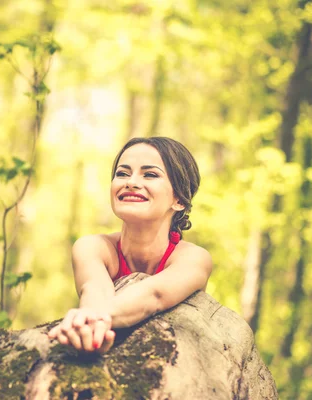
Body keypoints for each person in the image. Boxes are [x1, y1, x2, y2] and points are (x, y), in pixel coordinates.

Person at [47, 137, 212, 354]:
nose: (131, 182)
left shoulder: (193, 259)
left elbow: (154, 295)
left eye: (150, 175)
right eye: (122, 173)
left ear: (179, 199)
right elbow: (94, 288)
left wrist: (93, 318)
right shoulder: (92, 247)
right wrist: (89, 330)